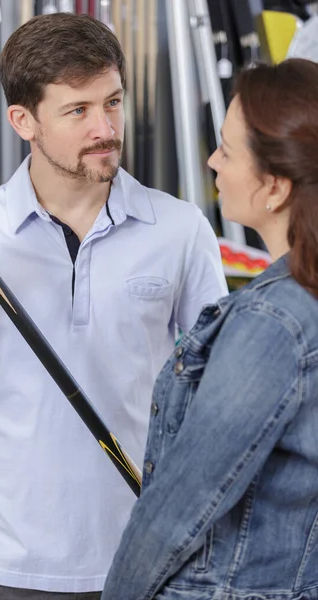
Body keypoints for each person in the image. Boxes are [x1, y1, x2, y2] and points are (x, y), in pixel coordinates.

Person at [0, 12, 227, 600]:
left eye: (112, 102)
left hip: (147, 556)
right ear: (23, 121)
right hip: (7, 566)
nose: (105, 127)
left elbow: (216, 395)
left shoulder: (181, 228)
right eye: (78, 111)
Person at [101, 57, 318, 600]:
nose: (212, 161)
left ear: (274, 186)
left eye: (225, 147)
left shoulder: (272, 323)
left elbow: (184, 501)